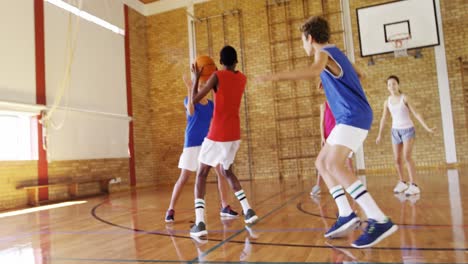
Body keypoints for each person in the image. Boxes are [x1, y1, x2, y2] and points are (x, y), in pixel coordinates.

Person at [256, 16, 397, 248]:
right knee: (322, 162)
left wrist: (277, 76)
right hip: (351, 116)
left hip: (353, 116)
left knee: (334, 164)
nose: (303, 46)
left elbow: (314, 69)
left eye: (302, 41)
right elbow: (358, 73)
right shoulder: (334, 53)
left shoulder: (323, 53)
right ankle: (346, 213)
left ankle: (379, 218)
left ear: (310, 39)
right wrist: (332, 80)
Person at [189, 46, 258, 237]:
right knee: (227, 171)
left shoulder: (218, 76)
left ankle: (200, 223)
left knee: (201, 174)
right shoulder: (242, 78)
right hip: (234, 134)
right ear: (236, 61)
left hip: (218, 133)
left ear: (220, 62)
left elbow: (194, 100)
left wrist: (196, 79)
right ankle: (248, 210)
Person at [165, 68, 238, 223]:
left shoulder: (211, 105)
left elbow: (216, 121)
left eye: (205, 85)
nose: (202, 87)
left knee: (220, 172)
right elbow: (191, 111)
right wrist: (189, 88)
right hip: (191, 143)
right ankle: (171, 209)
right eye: (200, 85)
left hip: (207, 143)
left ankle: (225, 206)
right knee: (184, 177)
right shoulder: (189, 100)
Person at [375, 75, 434, 196]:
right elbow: (384, 118)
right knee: (397, 159)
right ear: (387, 87)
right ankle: (402, 182)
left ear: (398, 85)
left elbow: (416, 113)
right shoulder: (387, 102)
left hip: (408, 130)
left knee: (407, 156)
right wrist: (379, 134)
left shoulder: (405, 98)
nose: (392, 86)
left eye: (394, 84)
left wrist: (427, 127)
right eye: (389, 84)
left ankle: (414, 185)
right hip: (395, 132)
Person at [311, 83, 355, 196]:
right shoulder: (323, 106)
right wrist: (322, 137)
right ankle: (318, 185)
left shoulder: (339, 104)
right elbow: (322, 123)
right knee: (322, 161)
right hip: (328, 137)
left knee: (347, 160)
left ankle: (353, 184)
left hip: (339, 136)